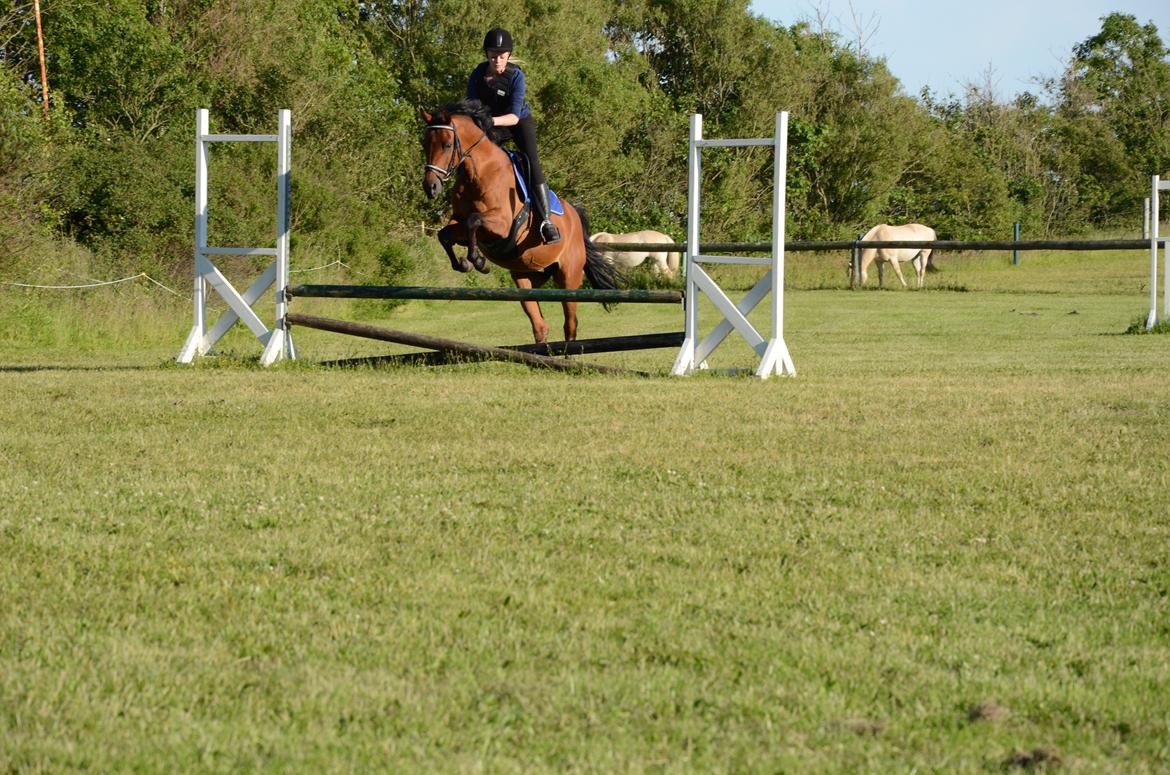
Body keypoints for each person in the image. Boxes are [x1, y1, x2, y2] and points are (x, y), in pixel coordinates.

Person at [465, 27, 561, 244]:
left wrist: (490, 121)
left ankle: (546, 221)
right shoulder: (477, 74)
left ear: (508, 55)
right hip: (491, 125)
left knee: (532, 163)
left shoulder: (516, 76)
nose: (497, 60)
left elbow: (514, 117)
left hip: (516, 123)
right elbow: (470, 106)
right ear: (487, 54)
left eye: (501, 56)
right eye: (492, 55)